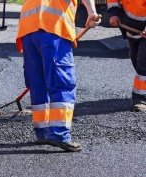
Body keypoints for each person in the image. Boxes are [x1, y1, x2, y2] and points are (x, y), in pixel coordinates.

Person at [16, 0, 100, 152]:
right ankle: (58, 134)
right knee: (62, 82)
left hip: (28, 30)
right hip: (52, 27)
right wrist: (92, 12)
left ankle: (42, 132)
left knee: (38, 83)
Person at [107, 0, 146, 112]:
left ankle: (140, 99)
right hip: (131, 26)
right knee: (135, 58)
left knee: (143, 62)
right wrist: (114, 13)